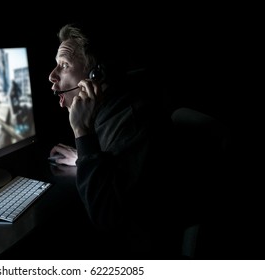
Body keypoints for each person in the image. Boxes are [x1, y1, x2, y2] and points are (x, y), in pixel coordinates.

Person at [47, 22, 181, 258]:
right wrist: (85, 156)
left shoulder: (133, 121)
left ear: (95, 76)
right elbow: (121, 163)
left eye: (64, 65)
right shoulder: (112, 112)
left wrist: (81, 131)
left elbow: (105, 218)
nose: (52, 76)